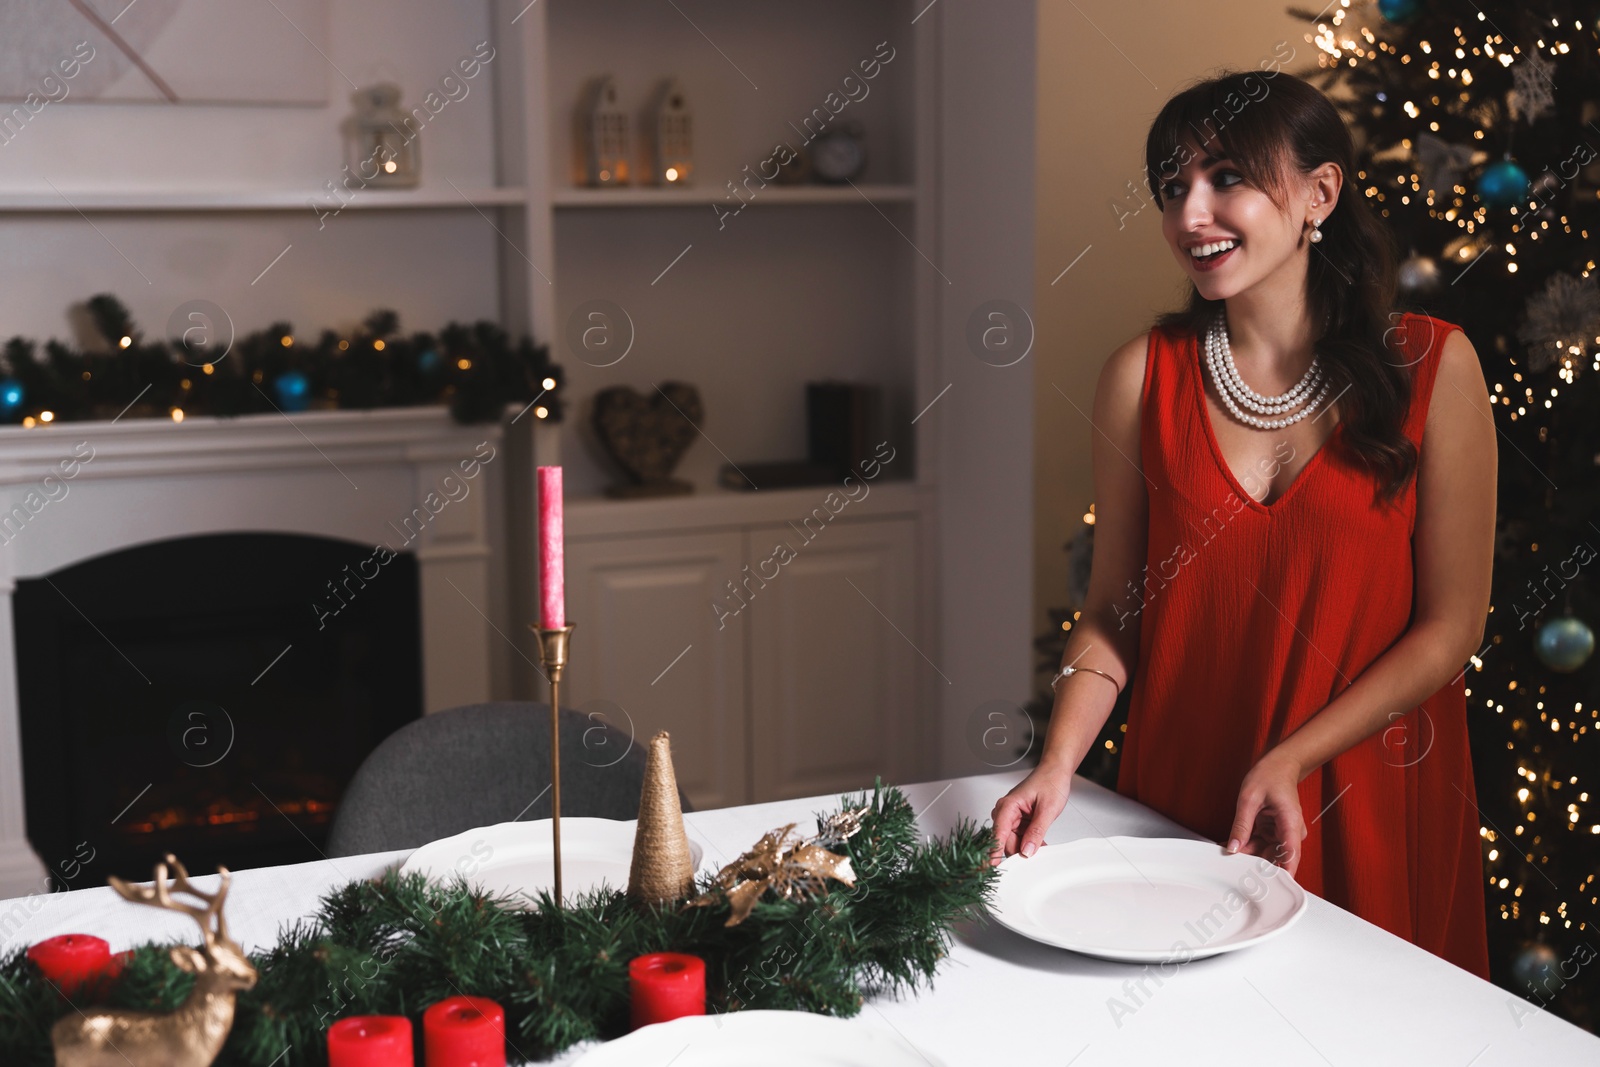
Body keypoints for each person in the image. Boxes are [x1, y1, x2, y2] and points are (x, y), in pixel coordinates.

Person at [990, 70, 1495, 978]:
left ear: (1319, 195)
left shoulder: (1434, 366)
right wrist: (1057, 765)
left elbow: (1452, 627)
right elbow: (1114, 612)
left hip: (1364, 797)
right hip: (1188, 802)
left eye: (1226, 177)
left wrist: (1292, 759)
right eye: (1173, 187)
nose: (1192, 214)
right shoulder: (1141, 377)